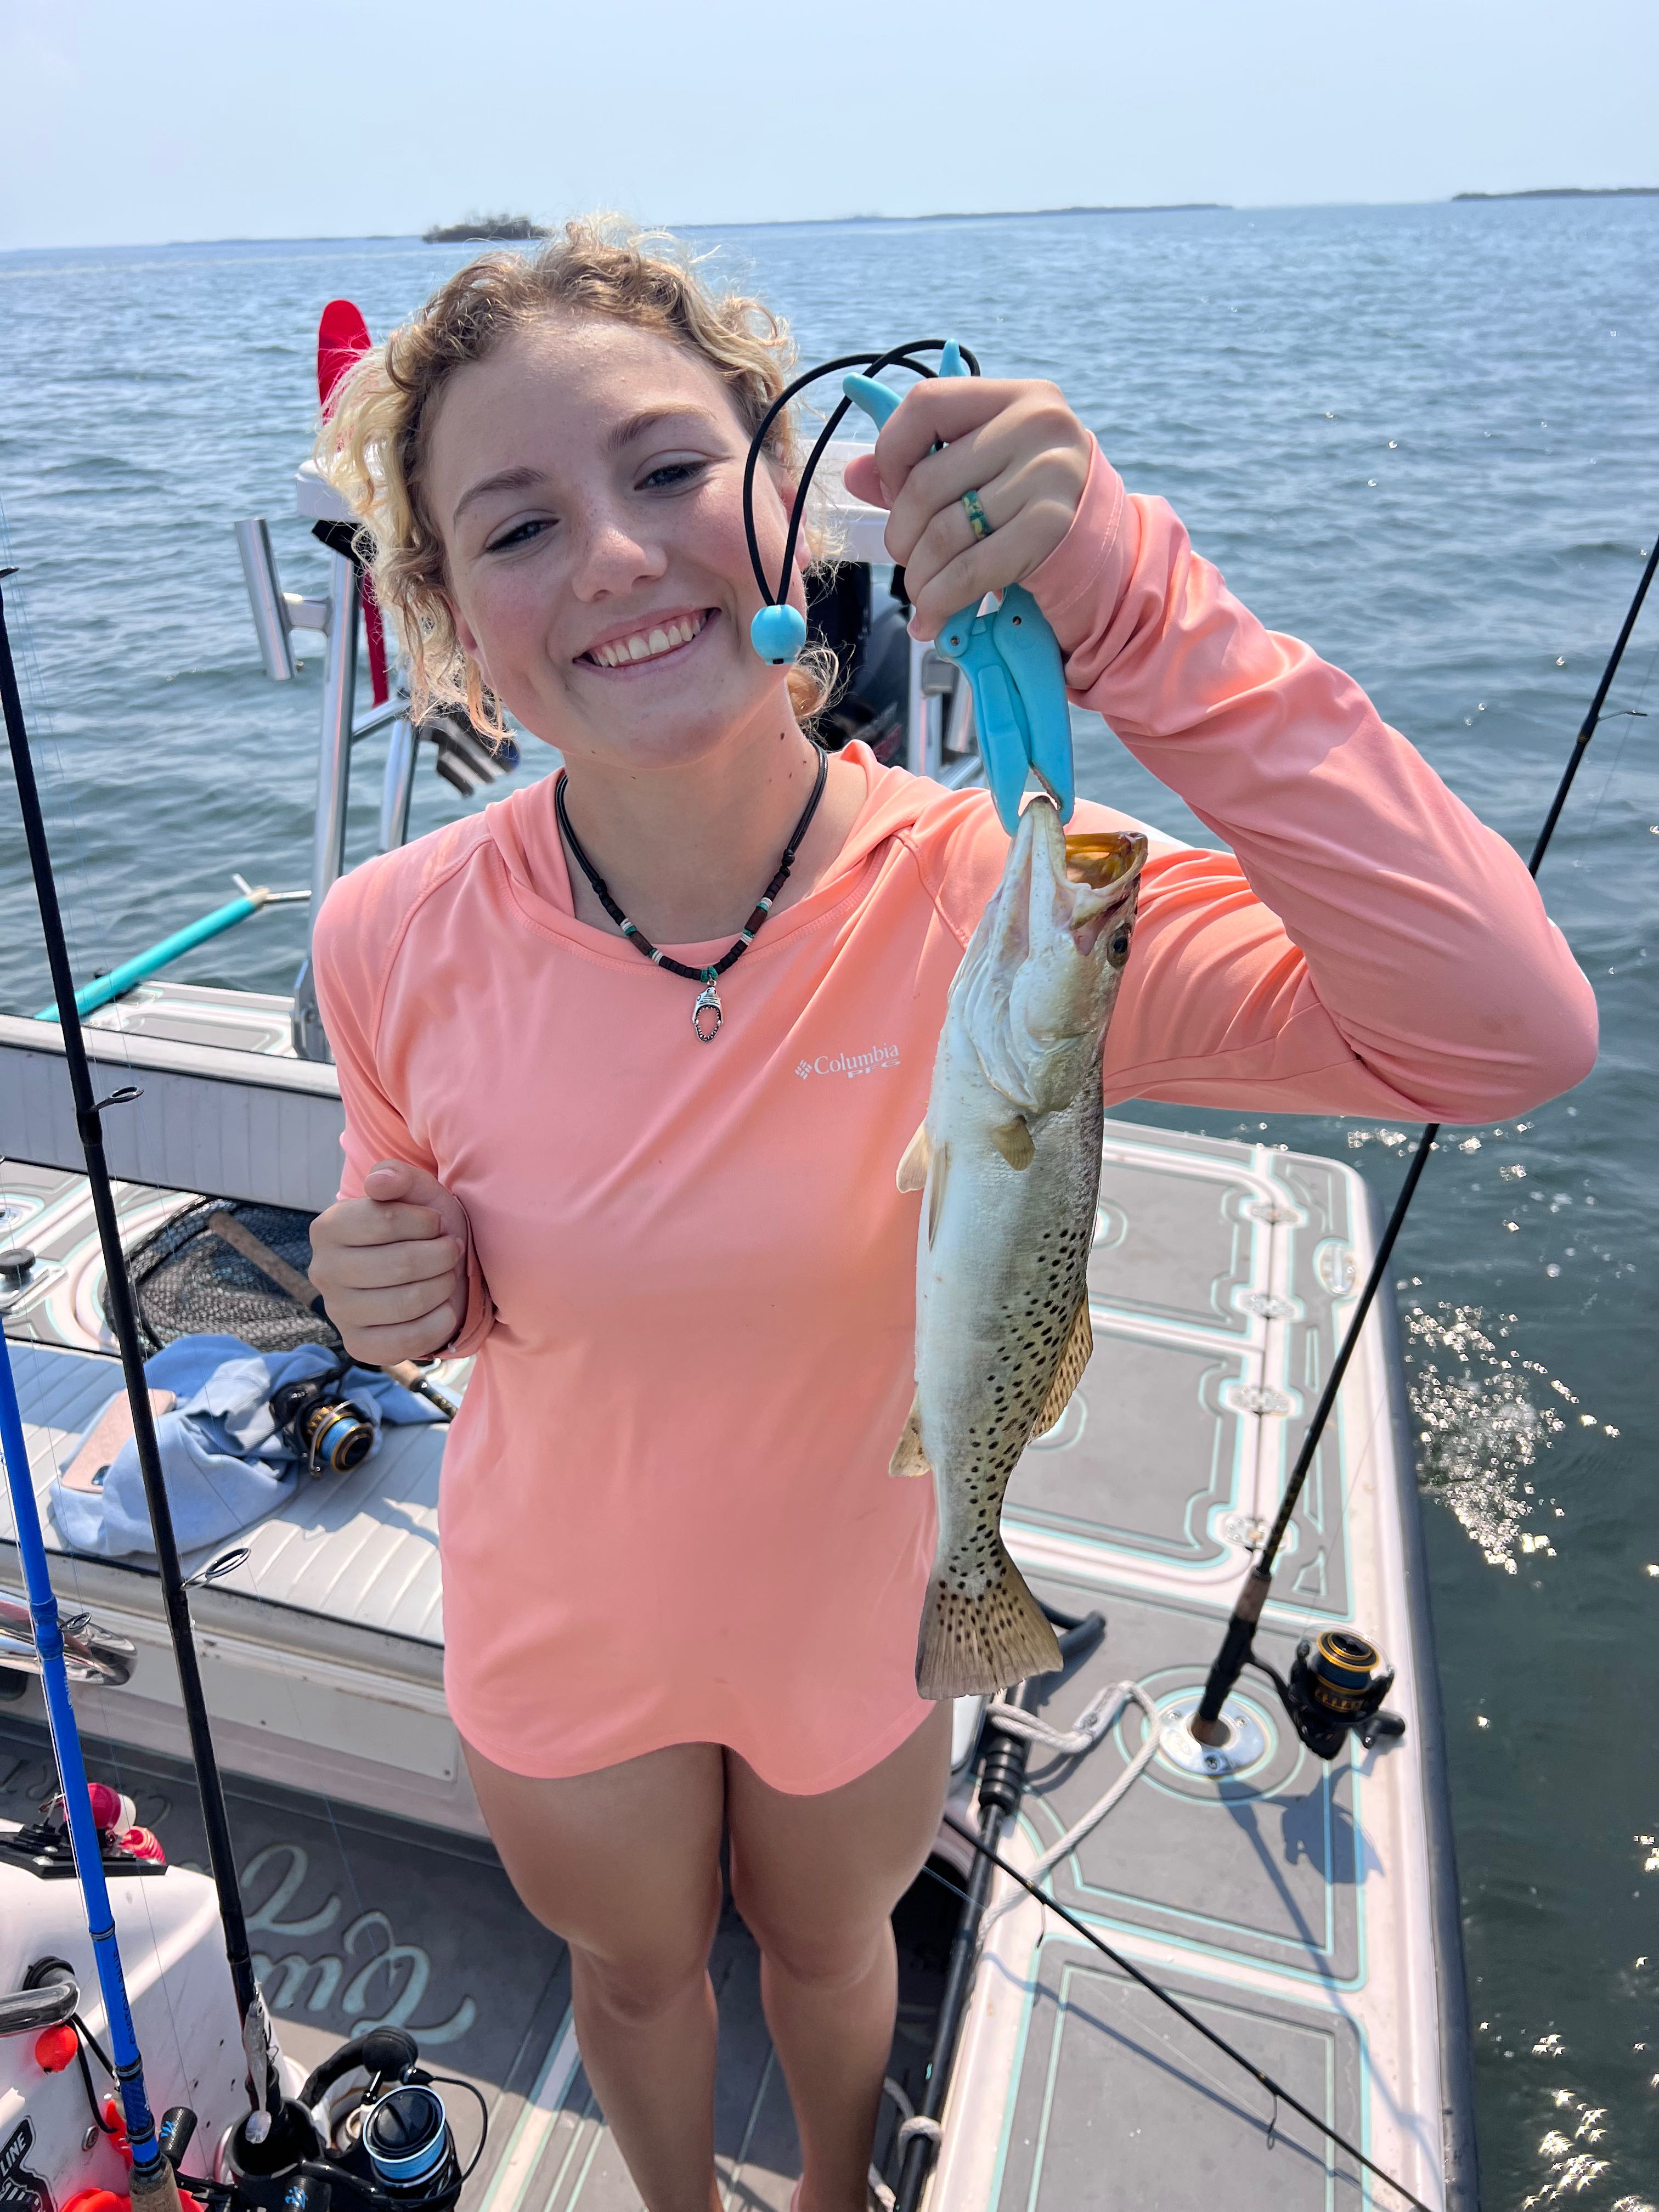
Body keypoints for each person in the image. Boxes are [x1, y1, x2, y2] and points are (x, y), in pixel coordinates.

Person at [305, 220, 1596, 2212]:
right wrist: (387, 1293)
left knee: (836, 1958)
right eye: (520, 526)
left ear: (796, 507)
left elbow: (1503, 1032)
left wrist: (1140, 608)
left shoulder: (1025, 903)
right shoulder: (386, 933)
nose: (619, 556)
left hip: (874, 1610)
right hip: (563, 1624)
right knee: (631, 1974)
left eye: (670, 469)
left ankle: (837, 2191)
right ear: (450, 621)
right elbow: (422, 1255)